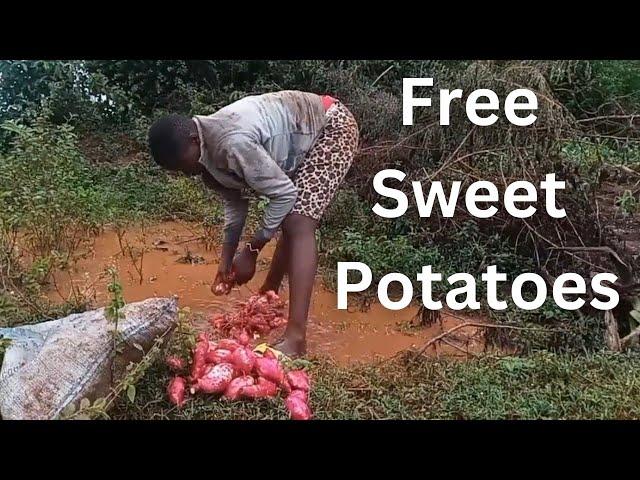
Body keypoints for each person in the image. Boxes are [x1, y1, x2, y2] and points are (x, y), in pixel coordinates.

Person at [147, 90, 359, 357]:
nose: (186, 173)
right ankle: (268, 295)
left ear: (193, 139)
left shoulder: (231, 142)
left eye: (183, 165)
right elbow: (235, 206)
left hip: (331, 125)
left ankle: (296, 339)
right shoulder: (206, 153)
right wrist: (225, 264)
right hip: (302, 135)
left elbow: (284, 195)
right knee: (290, 218)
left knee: (298, 221)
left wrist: (252, 251)